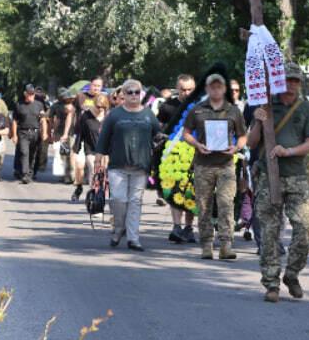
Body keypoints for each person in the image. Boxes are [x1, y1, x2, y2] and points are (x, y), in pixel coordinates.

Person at [247, 62, 309, 303]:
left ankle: (292, 274)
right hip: (269, 177)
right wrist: (258, 121)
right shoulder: (267, 105)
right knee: (269, 231)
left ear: (300, 83)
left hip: (296, 176)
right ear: (279, 82)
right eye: (287, 80)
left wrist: (288, 151)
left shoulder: (306, 109)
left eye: (295, 81)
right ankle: (271, 283)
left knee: (304, 230)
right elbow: (251, 143)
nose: (290, 85)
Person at [183, 73, 248, 260]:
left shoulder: (233, 111)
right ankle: (206, 244)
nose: (216, 90)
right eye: (212, 87)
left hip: (226, 164)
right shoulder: (197, 110)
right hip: (203, 164)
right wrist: (196, 144)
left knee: (226, 204)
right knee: (203, 205)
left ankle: (226, 244)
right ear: (207, 89)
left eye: (219, 87)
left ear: (224, 89)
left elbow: (243, 136)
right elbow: (186, 133)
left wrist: (236, 147)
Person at [94, 79, 161, 251]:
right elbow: (103, 138)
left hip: (140, 166)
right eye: (129, 92)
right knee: (118, 200)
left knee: (135, 202)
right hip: (118, 165)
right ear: (122, 94)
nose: (133, 95)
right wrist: (98, 159)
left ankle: (133, 238)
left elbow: (158, 134)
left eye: (136, 92)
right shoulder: (115, 115)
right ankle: (118, 229)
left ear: (141, 94)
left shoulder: (148, 114)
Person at [157, 74, 198, 236]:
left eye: (190, 90)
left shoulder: (200, 106)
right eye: (183, 89)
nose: (186, 93)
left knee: (191, 191)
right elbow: (158, 129)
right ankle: (176, 226)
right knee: (174, 191)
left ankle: (188, 227)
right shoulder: (167, 106)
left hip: (195, 153)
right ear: (177, 88)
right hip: (172, 155)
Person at [72, 94, 110, 201]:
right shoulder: (86, 116)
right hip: (91, 149)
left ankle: (100, 192)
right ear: (94, 105)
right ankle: (94, 196)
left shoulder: (108, 117)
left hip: (105, 151)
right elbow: (80, 133)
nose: (100, 110)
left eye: (103, 108)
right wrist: (76, 148)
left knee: (103, 172)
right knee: (94, 171)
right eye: (98, 107)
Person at [11, 84, 47, 184]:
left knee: (33, 154)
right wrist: (14, 135)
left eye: (33, 94)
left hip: (35, 133)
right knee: (24, 152)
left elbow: (43, 119)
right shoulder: (19, 105)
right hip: (23, 132)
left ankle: (30, 173)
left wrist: (44, 133)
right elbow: (14, 121)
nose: (31, 96)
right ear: (25, 94)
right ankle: (25, 174)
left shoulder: (39, 104)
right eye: (29, 94)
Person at [49, 88, 76, 184]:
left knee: (71, 155)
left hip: (71, 133)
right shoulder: (55, 106)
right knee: (64, 154)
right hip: (60, 132)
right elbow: (50, 118)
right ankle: (66, 175)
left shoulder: (72, 105)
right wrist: (52, 131)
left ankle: (71, 175)